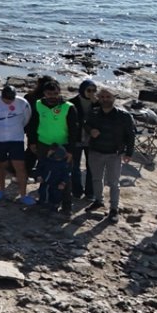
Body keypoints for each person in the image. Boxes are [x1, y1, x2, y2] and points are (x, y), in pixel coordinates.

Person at [25, 80, 79, 214]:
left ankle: (66, 205)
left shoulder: (68, 107)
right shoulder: (38, 104)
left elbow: (74, 130)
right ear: (44, 93)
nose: (52, 96)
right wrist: (32, 142)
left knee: (64, 175)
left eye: (55, 93)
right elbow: (32, 125)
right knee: (44, 173)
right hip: (43, 144)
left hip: (63, 146)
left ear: (59, 92)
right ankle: (44, 200)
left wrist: (71, 151)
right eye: (49, 93)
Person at [84, 87, 135, 222]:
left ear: (114, 98)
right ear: (98, 98)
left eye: (108, 97)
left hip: (114, 154)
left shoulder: (124, 116)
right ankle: (98, 201)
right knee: (96, 179)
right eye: (102, 97)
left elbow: (130, 135)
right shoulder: (94, 112)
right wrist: (91, 130)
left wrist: (129, 153)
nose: (105, 99)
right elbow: (86, 125)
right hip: (95, 152)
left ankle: (114, 209)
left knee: (113, 182)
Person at [0, 85, 34, 205]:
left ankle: (23, 195)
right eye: (6, 98)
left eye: (11, 99)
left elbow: (26, 118)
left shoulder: (23, 103)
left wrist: (16, 129)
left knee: (20, 167)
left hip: (16, 139)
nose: (8, 101)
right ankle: (1, 190)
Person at [67, 79, 99, 200]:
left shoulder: (97, 103)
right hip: (76, 138)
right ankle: (76, 191)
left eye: (94, 90)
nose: (91, 93)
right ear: (82, 90)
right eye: (89, 90)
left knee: (91, 167)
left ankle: (90, 192)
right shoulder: (72, 103)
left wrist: (97, 103)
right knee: (75, 167)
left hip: (92, 140)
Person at [34, 145, 71, 211]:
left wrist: (63, 183)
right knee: (42, 191)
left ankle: (54, 205)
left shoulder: (63, 165)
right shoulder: (46, 161)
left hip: (56, 183)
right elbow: (39, 168)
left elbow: (66, 175)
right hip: (45, 181)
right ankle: (43, 202)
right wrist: (38, 176)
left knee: (55, 194)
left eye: (51, 152)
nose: (48, 152)